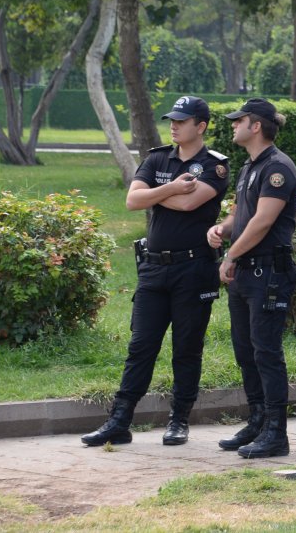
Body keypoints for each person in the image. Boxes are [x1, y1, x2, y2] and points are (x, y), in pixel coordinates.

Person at [82, 97, 229, 448]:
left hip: (193, 269)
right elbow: (133, 201)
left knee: (186, 348)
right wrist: (171, 188)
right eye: (171, 120)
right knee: (141, 346)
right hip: (153, 268)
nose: (174, 125)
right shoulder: (158, 157)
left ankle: (178, 421)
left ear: (201, 126)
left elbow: (189, 203)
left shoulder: (214, 166)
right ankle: (120, 420)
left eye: (181, 121)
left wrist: (155, 194)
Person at [207, 98, 296, 459]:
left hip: (268, 273)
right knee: (246, 352)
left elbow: (263, 221)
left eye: (239, 120)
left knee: (266, 353)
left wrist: (230, 254)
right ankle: (258, 420)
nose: (233, 125)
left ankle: (277, 432)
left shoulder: (278, 168)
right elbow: (242, 214)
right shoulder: (252, 166)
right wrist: (222, 229)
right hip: (249, 272)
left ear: (256, 125)